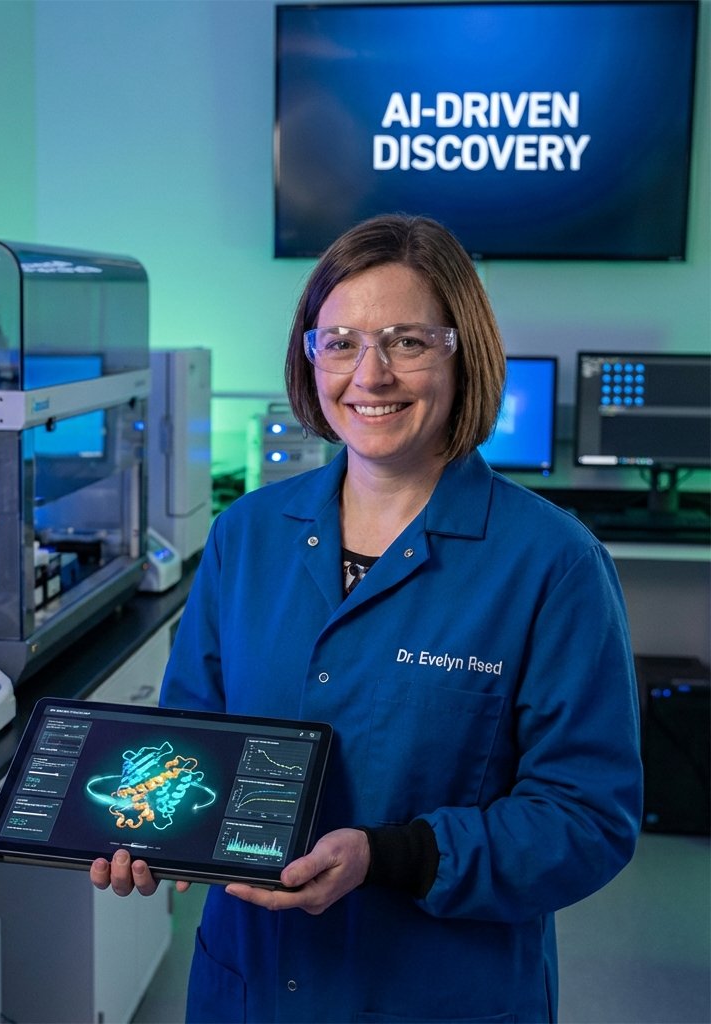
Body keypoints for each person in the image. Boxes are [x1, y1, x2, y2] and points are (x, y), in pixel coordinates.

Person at [91, 213, 643, 1023]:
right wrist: (143, 826)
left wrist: (393, 856)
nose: (370, 374)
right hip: (249, 987)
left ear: (464, 352)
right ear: (310, 357)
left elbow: (588, 818)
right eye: (340, 342)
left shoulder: (553, 564)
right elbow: (192, 738)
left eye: (408, 342)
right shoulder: (247, 534)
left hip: (439, 993)